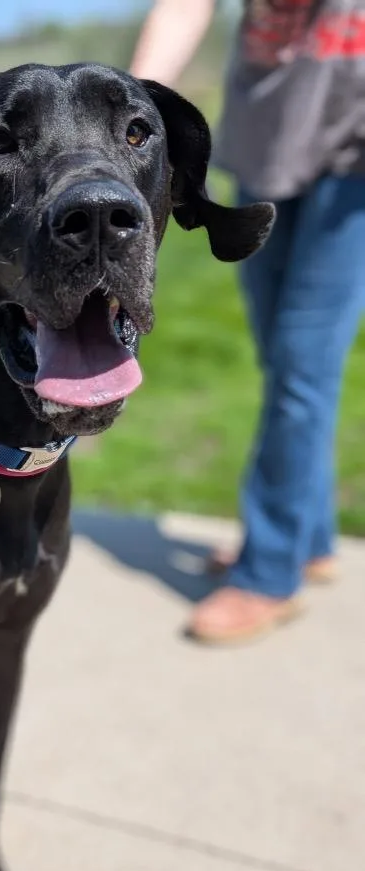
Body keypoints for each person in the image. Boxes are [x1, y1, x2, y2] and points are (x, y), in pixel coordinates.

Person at [129, 0, 365, 643]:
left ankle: (269, 574)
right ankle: (306, 537)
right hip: (268, 142)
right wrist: (130, 108)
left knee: (301, 364)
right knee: (279, 357)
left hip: (354, 154)